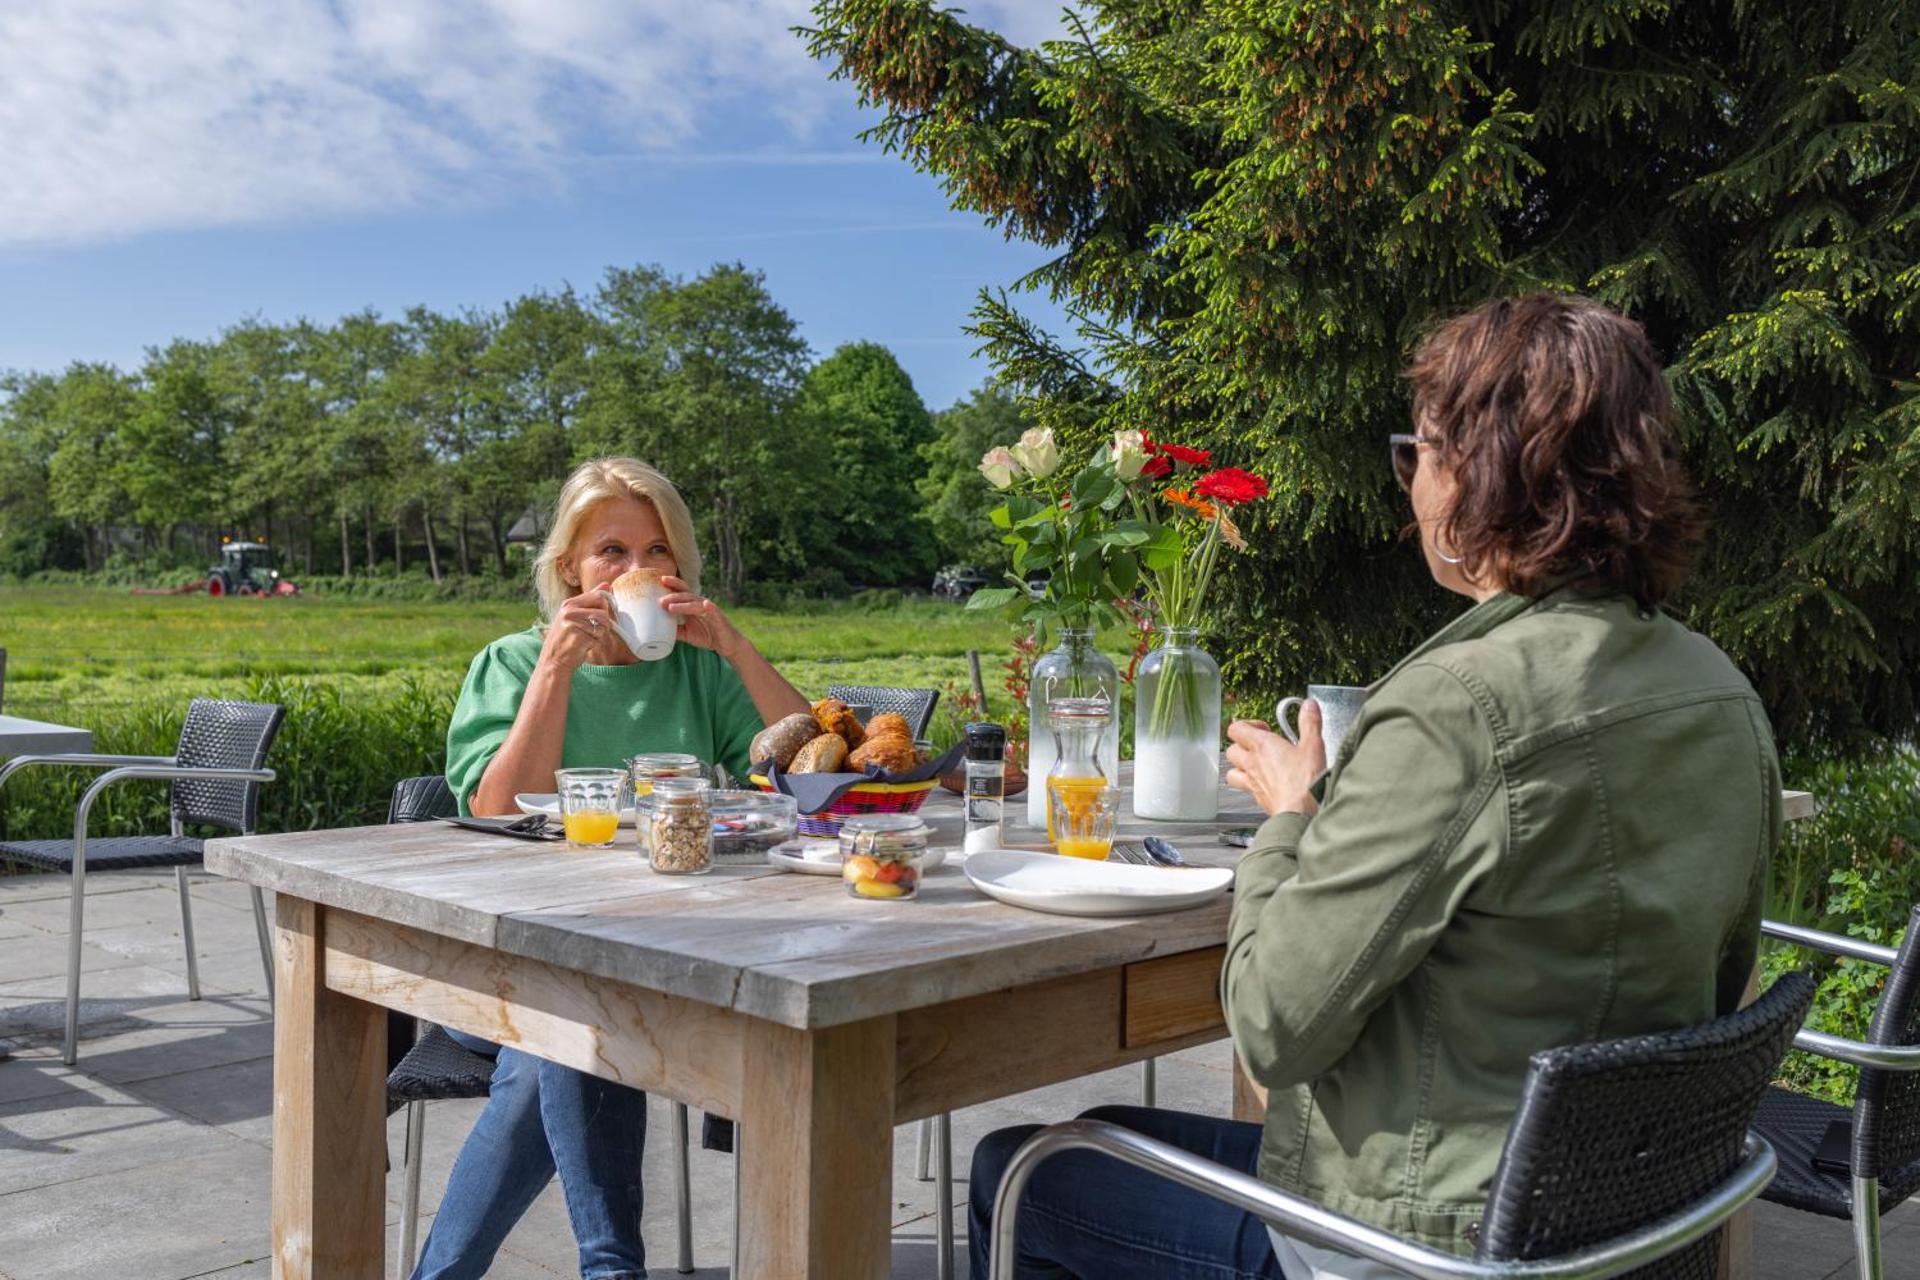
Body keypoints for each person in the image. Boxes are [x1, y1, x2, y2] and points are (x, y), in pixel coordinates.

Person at [967, 295, 1783, 1279]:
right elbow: (1718, 986)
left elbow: (1273, 1027)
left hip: (1421, 1243)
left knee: (1023, 1172)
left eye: (1419, 452)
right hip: (1611, 1232)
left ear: (1477, 470)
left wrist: (1291, 817)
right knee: (1102, 1130)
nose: (1414, 483)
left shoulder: (1456, 706)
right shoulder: (1721, 692)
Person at [415, 457, 810, 1280]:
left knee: (578, 1023)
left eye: (657, 552)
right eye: (613, 552)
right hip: (507, 958)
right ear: (570, 568)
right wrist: (556, 667)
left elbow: (806, 766)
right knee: (567, 1031)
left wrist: (734, 647)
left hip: (667, 957)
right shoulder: (511, 663)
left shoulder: (698, 667)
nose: (638, 570)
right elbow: (495, 807)